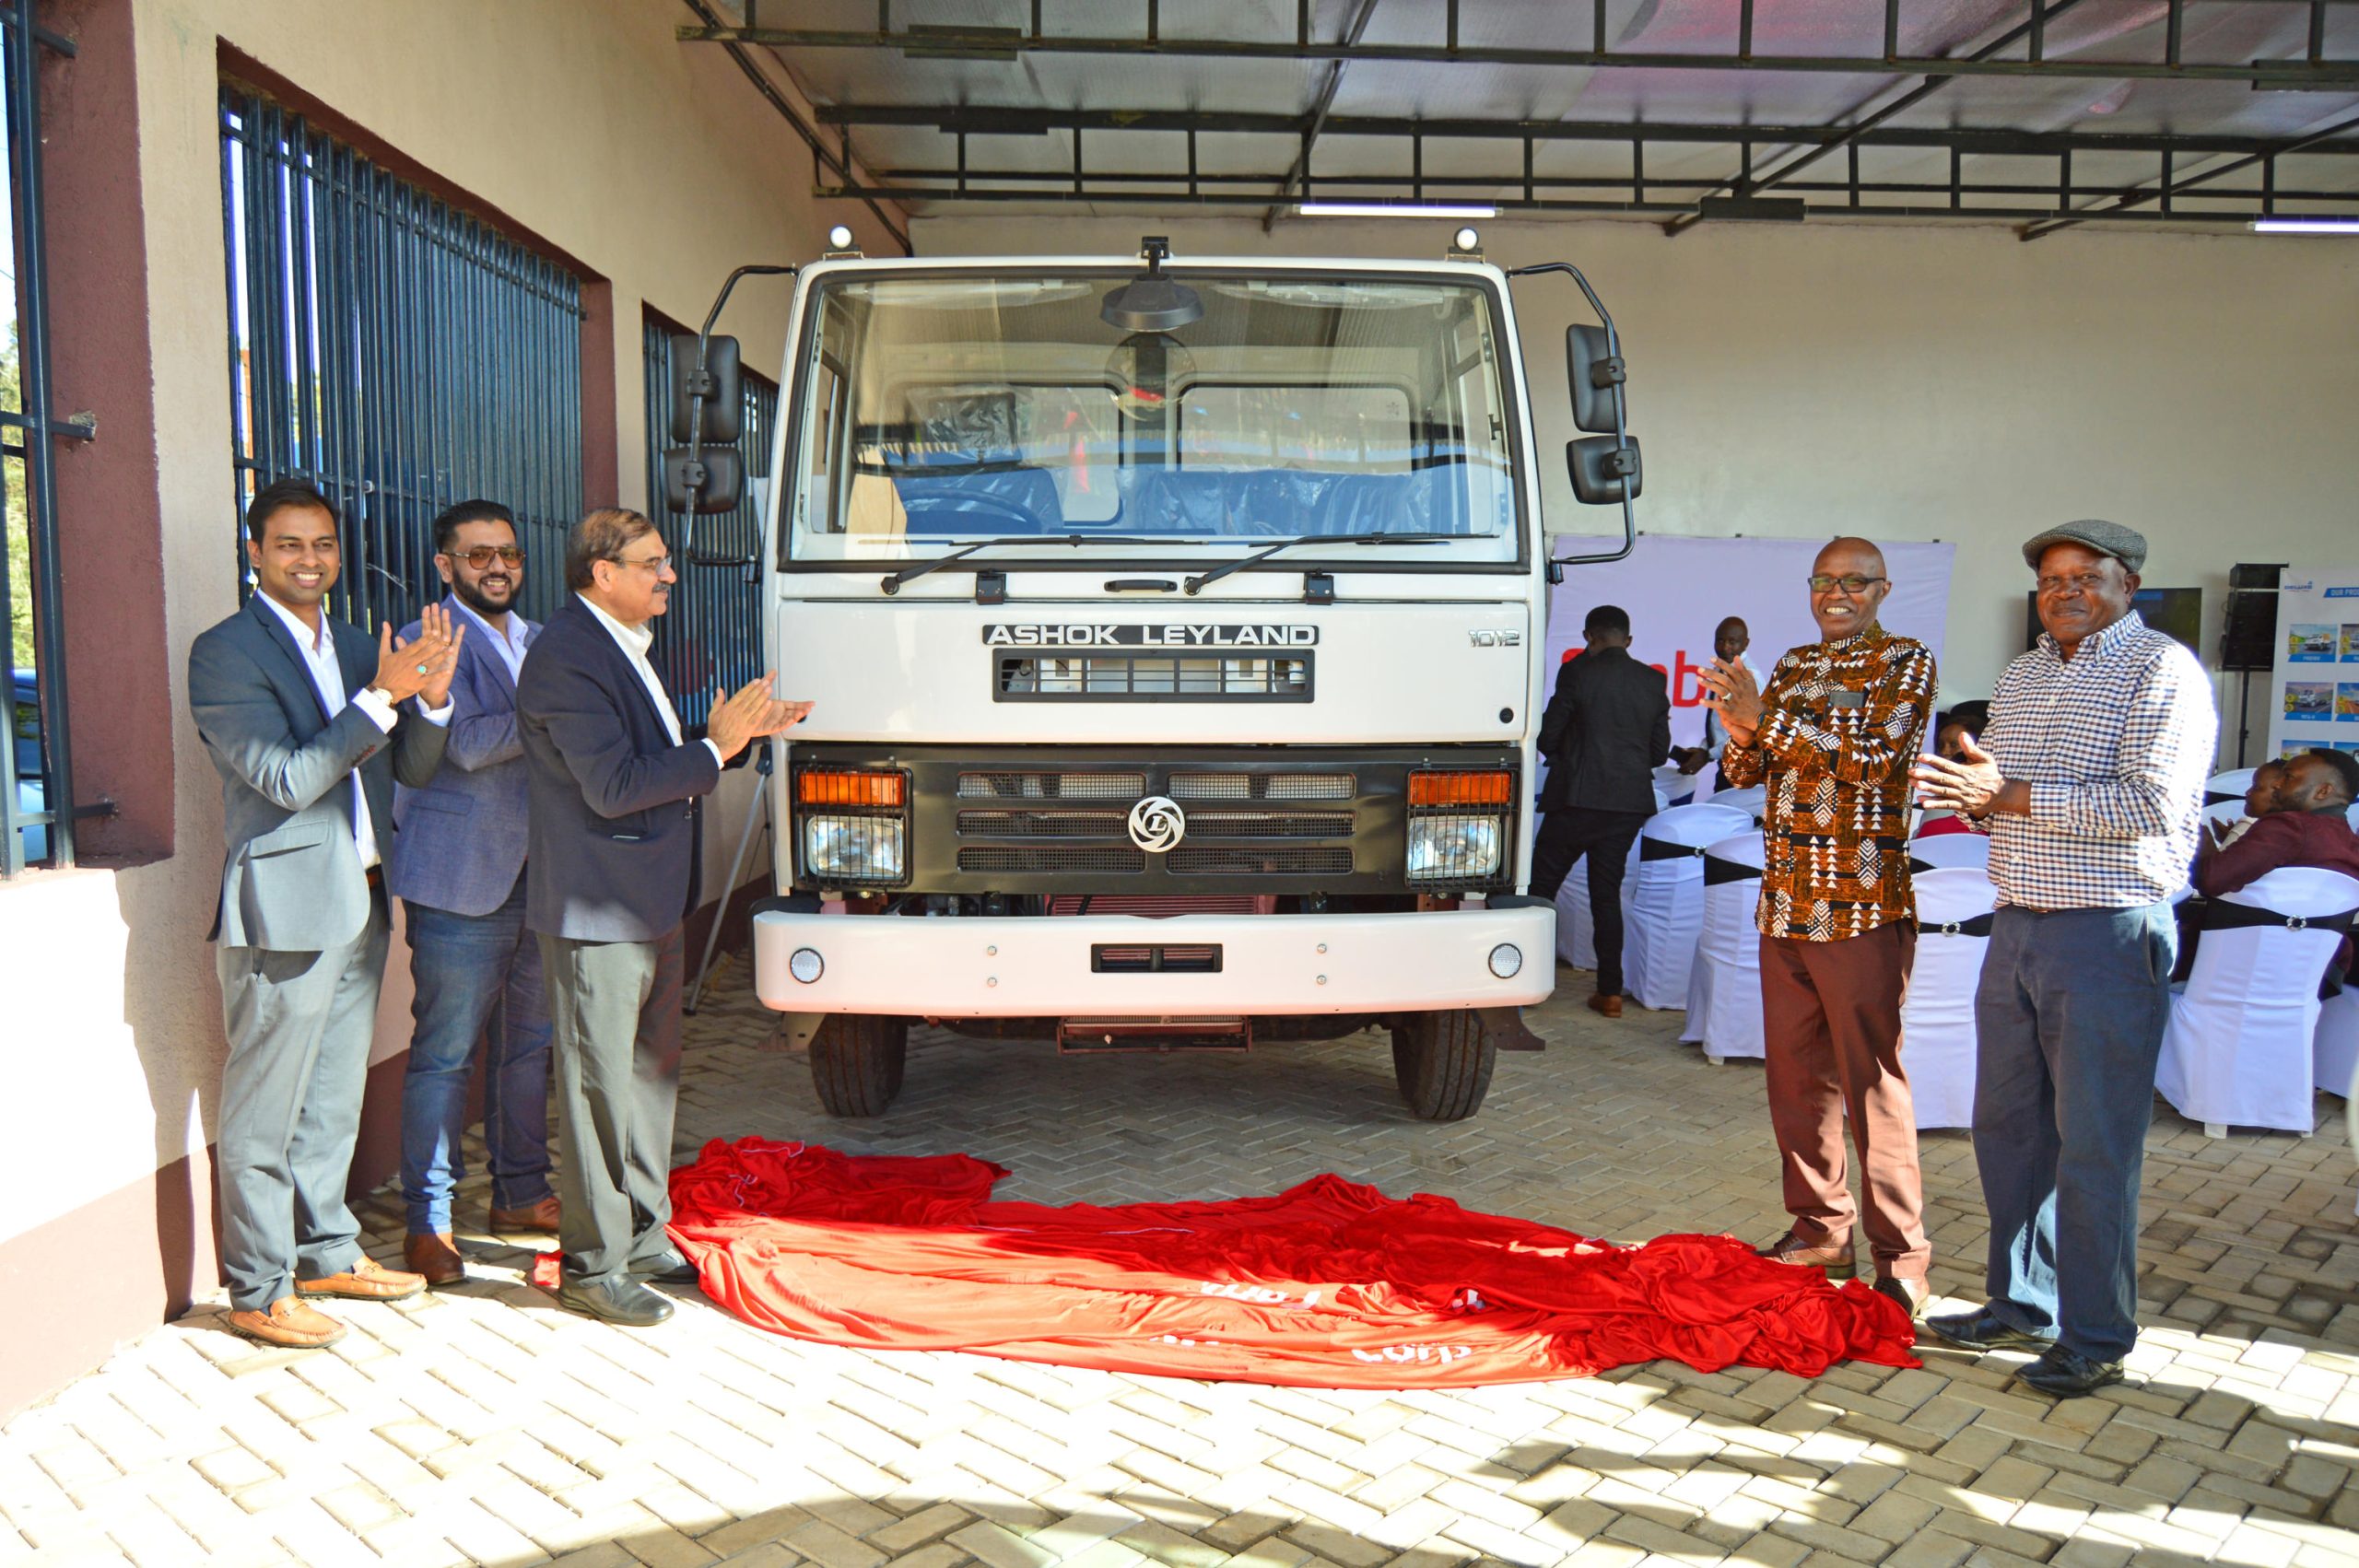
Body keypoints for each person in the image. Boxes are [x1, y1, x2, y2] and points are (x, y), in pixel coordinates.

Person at [1913, 520, 2215, 1398]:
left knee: (2095, 1145)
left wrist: (2005, 792)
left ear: (2129, 584)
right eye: (2051, 580)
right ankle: (2022, 1302)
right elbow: (2010, 799)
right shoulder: (2022, 674)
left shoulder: (2161, 671)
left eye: (2088, 575)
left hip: (2108, 931)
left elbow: (2153, 804)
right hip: (2016, 924)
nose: (2067, 591)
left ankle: (2096, 1333)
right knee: (2007, 1130)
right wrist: (1975, 799)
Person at [518, 509, 811, 1327]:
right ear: (601, 573)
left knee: (649, 1082)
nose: (668, 576)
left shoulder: (618, 646)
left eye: (667, 562)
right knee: (598, 1094)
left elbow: (654, 757)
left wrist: (740, 737)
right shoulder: (566, 658)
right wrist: (714, 751)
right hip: (596, 912)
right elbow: (613, 786)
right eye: (652, 563)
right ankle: (592, 1264)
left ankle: (644, 1237)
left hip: (647, 902)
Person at [188, 478, 462, 1347]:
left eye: (324, 546)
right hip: (285, 906)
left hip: (365, 899)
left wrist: (434, 699)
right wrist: (381, 698)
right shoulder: (224, 653)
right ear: (256, 553)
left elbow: (407, 770)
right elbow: (285, 778)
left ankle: (327, 1250)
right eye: (290, 545)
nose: (310, 559)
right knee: (266, 1106)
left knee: (334, 1097)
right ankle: (258, 1287)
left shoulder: (355, 643)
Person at [1703, 538, 1936, 1320]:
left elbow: (1875, 759)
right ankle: (1820, 1230)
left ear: (1881, 589)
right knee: (1797, 1081)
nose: (1837, 594)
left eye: (1854, 582)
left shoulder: (1905, 662)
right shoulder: (1795, 665)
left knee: (1871, 1082)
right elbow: (1747, 774)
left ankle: (1902, 1258)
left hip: (1862, 901)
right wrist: (1739, 728)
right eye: (1824, 582)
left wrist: (1767, 721)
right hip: (1787, 901)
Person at [387, 501, 556, 1287]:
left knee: (528, 1049)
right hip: (460, 880)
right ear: (445, 565)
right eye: (479, 555)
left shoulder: (541, 642)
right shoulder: (427, 642)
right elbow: (459, 745)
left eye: (510, 555)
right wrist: (555, 712)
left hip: (546, 879)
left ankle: (520, 1193)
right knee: (445, 1056)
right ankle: (430, 1222)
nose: (499, 568)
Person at [1532, 604, 1672, 1019]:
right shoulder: (1652, 680)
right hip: (1627, 805)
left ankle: (1521, 985)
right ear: (1627, 640)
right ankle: (1609, 992)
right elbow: (1658, 752)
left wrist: (1567, 757)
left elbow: (1548, 735)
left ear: (1589, 638)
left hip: (1576, 799)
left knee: (1539, 890)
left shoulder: (1576, 672)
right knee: (1606, 895)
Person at [2192, 748, 2359, 982]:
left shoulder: (2287, 826)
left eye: (2288, 777)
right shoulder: (2350, 843)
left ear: (2323, 791)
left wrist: (2203, 843)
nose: (2278, 784)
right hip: (2312, 978)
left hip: (2239, 969)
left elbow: (2212, 880)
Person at [1672, 617, 1753, 787]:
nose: (1725, 647)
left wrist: (1708, 754)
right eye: (1720, 641)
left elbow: (1749, 734)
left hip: (1743, 771)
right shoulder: (1722, 670)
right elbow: (1720, 726)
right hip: (1727, 766)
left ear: (1746, 643)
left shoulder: (1747, 679)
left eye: (1732, 642)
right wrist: (1703, 749)